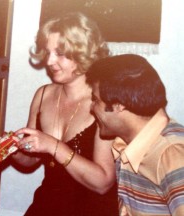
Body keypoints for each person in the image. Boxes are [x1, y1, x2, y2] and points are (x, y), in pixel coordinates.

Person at [13, 12, 118, 215]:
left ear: (83, 52)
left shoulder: (104, 100)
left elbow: (103, 182)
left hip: (91, 209)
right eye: (48, 51)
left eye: (60, 53)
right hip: (47, 203)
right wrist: (15, 151)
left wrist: (52, 145)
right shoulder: (43, 94)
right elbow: (32, 159)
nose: (50, 61)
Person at [86, 54, 184, 215]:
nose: (92, 107)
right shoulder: (126, 144)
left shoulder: (172, 154)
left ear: (118, 105)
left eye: (96, 100)